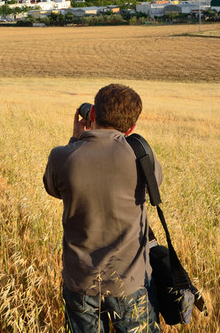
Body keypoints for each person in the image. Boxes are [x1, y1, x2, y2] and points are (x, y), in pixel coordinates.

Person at [43, 83, 162, 333]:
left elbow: (53, 189)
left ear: (93, 114)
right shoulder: (140, 156)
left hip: (81, 281)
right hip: (131, 282)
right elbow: (155, 185)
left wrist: (75, 138)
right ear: (132, 128)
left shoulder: (61, 157)